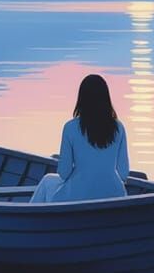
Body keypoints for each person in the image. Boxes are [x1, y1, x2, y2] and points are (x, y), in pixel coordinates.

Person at [29, 74, 129, 203]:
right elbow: (123, 173)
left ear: (81, 99)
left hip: (78, 196)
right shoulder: (119, 128)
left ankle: (29, 215)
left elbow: (64, 173)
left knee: (47, 180)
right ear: (106, 99)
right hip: (114, 194)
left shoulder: (70, 127)